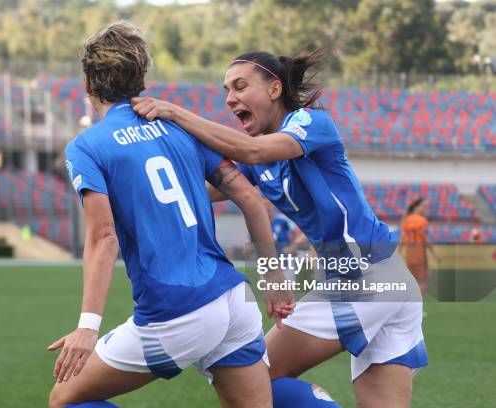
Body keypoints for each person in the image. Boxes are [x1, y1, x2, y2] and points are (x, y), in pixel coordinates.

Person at [132, 49, 427, 407]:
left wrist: (172, 111)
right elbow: (197, 191)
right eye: (226, 90)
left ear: (275, 89)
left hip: (363, 277)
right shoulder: (260, 162)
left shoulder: (309, 123)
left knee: (247, 379)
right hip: (384, 280)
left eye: (240, 86)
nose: (230, 99)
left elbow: (252, 151)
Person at [47, 22, 293, 408]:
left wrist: (87, 327)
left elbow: (103, 237)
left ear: (88, 86)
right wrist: (274, 276)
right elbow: (249, 196)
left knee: (64, 398)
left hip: (175, 313)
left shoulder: (87, 147)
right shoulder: (179, 128)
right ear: (141, 81)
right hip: (233, 300)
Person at [400, 198, 439, 295]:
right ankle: (419, 298)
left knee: (412, 276)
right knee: (424, 277)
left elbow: (403, 238)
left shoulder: (407, 220)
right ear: (417, 207)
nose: (425, 208)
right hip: (419, 251)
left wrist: (399, 252)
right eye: (424, 206)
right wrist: (434, 253)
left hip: (409, 252)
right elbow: (424, 237)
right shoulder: (422, 220)